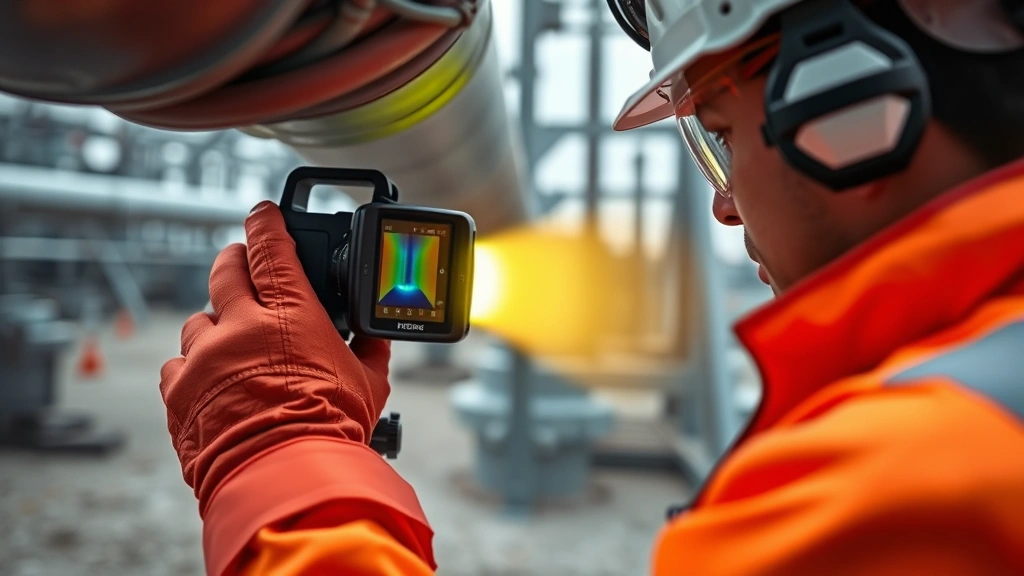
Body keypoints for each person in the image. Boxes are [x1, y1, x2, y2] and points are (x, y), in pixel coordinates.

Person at [160, 0, 1024, 573]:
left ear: (847, 105)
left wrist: (275, 447)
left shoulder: (903, 487)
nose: (724, 204)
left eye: (720, 132)